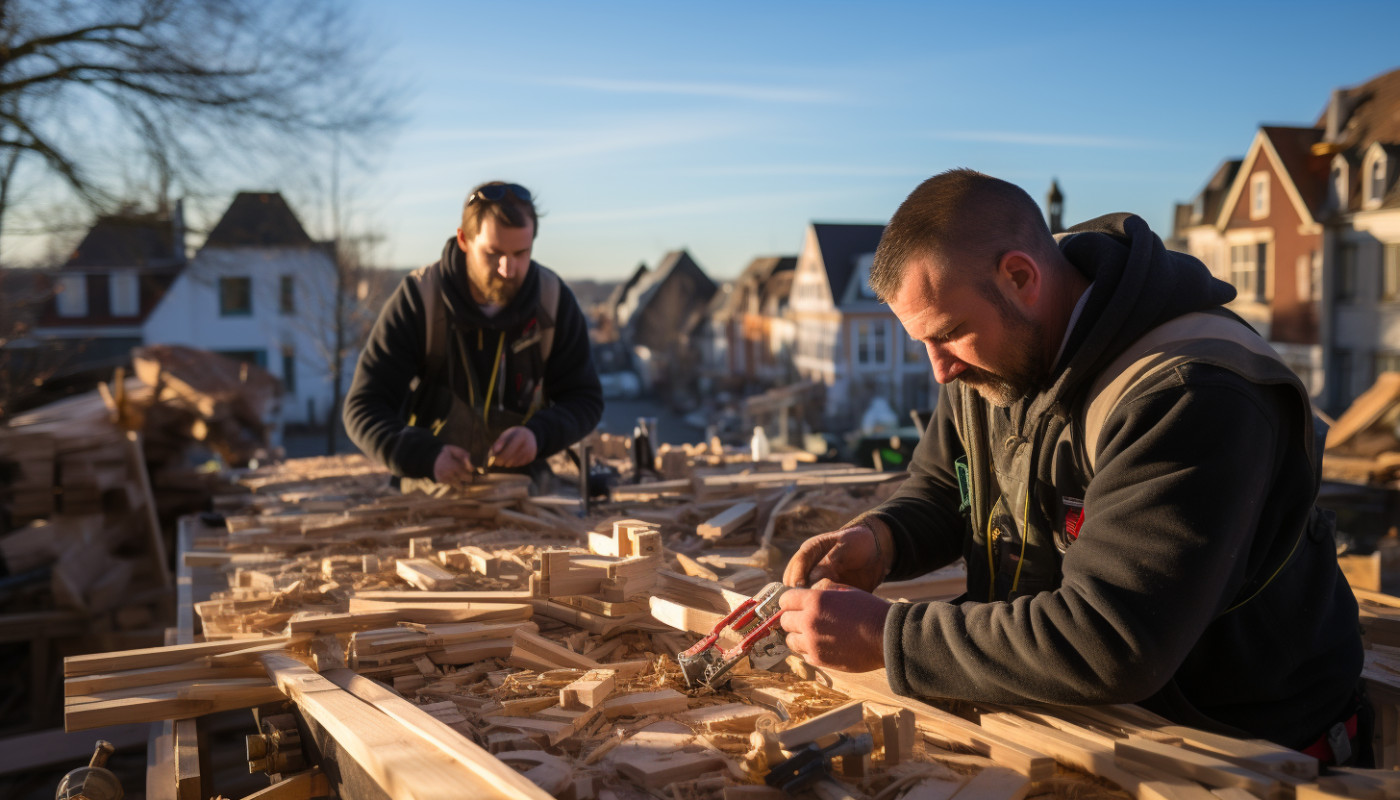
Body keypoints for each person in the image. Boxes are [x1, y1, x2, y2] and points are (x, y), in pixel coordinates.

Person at [779, 169, 1368, 763]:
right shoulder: (991, 349)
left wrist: (887, 638)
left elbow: (1111, 638)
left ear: (1020, 277)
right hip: (1072, 727)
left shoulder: (1191, 393)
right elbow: (948, 485)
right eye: (923, 343)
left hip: (1239, 754)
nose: (939, 370)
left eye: (949, 336)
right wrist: (883, 540)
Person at [343, 181, 603, 492]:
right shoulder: (420, 299)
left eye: (522, 253)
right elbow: (363, 407)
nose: (509, 268)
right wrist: (425, 456)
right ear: (464, 239)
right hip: (429, 490)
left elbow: (585, 398)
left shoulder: (553, 299)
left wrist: (539, 435)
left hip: (523, 492)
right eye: (494, 253)